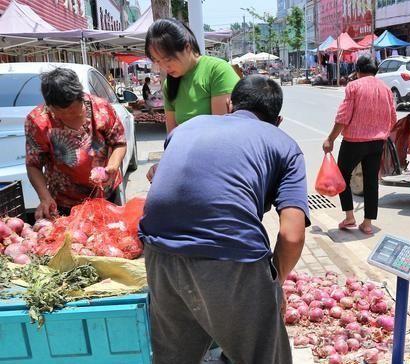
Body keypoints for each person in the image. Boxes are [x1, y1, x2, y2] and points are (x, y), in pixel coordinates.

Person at [139, 75, 310, 364]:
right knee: (265, 357)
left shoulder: (186, 128)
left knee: (173, 357)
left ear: (230, 104)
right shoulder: (285, 145)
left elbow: (160, 175)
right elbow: (292, 235)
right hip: (231, 259)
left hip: (159, 251)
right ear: (278, 120)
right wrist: (273, 284)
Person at [144, 18, 240, 181]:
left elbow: (221, 135)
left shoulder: (217, 71)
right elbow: (172, 137)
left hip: (221, 169)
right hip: (189, 169)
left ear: (187, 47)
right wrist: (165, 165)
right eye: (158, 62)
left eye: (168, 59)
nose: (164, 67)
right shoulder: (170, 84)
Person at [25, 68, 127, 219]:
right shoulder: (38, 120)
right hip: (65, 201)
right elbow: (33, 164)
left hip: (106, 194)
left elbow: (119, 142)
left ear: (81, 97)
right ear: (49, 105)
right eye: (60, 112)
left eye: (73, 111)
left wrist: (112, 165)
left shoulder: (101, 108)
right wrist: (44, 197)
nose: (67, 116)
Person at [323, 55, 396, 235]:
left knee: (342, 177)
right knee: (371, 181)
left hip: (354, 142)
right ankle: (368, 223)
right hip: (377, 142)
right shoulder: (386, 89)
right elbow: (393, 117)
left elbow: (343, 117)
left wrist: (330, 139)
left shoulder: (354, 86)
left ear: (357, 71)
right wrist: (382, 133)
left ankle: (349, 217)